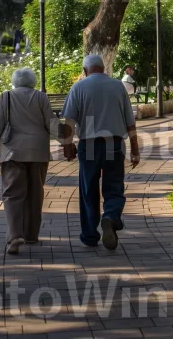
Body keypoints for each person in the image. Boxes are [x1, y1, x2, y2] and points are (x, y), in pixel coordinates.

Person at [62, 55, 140, 250]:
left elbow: (69, 121)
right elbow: (130, 120)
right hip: (113, 143)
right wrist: (135, 149)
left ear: (85, 70)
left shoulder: (78, 87)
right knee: (114, 185)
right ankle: (110, 216)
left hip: (88, 145)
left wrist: (67, 146)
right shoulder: (117, 86)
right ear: (103, 68)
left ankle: (89, 235)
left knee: (88, 189)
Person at [0, 68, 62, 255]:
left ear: (14, 81)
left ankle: (15, 235)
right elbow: (51, 123)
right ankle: (31, 234)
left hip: (12, 153)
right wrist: (66, 143)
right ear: (33, 81)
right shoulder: (41, 97)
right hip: (38, 152)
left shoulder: (6, 97)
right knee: (35, 193)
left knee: (12, 195)